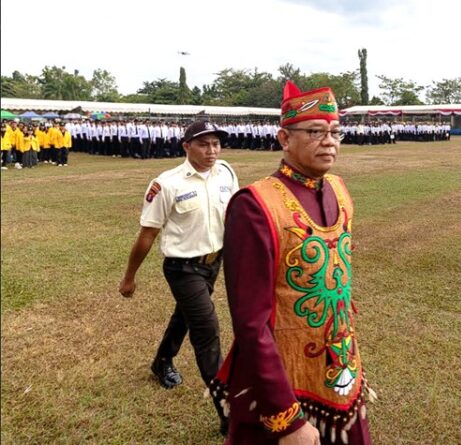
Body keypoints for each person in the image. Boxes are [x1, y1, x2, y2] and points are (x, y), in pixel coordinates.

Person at [216, 81, 373, 445]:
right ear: (284, 139)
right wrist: (286, 419)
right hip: (281, 379)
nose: (329, 141)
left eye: (335, 132)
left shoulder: (338, 189)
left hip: (339, 362)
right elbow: (250, 322)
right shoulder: (255, 205)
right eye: (315, 132)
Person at [118, 121, 239, 435]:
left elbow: (235, 218)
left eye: (215, 144)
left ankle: (162, 362)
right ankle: (229, 415)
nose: (211, 151)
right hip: (182, 267)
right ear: (186, 146)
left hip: (214, 262)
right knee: (207, 330)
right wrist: (129, 277)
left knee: (185, 317)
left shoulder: (226, 172)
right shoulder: (166, 183)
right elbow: (147, 235)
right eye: (203, 144)